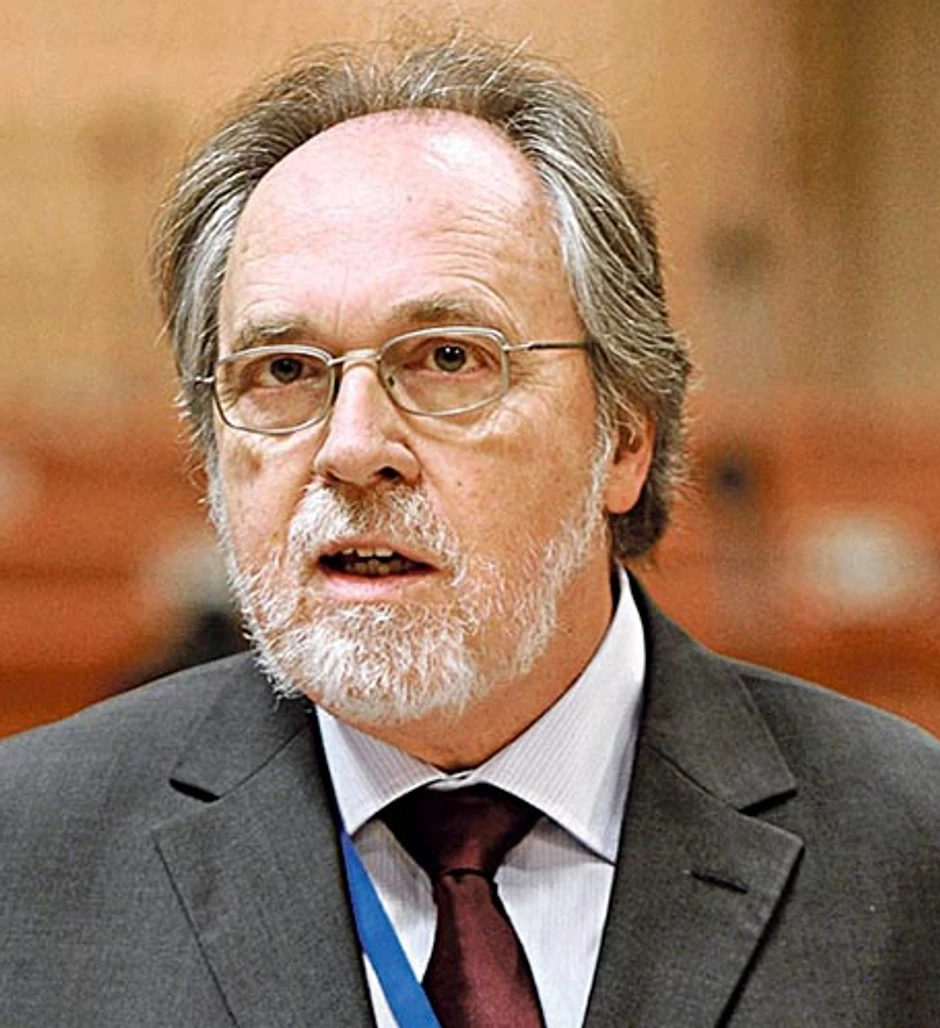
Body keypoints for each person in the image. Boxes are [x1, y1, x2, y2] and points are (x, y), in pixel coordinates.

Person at [1, 32, 938, 1028]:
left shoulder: (908, 848)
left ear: (624, 435)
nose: (353, 447)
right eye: (283, 371)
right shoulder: (29, 853)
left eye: (448, 357)